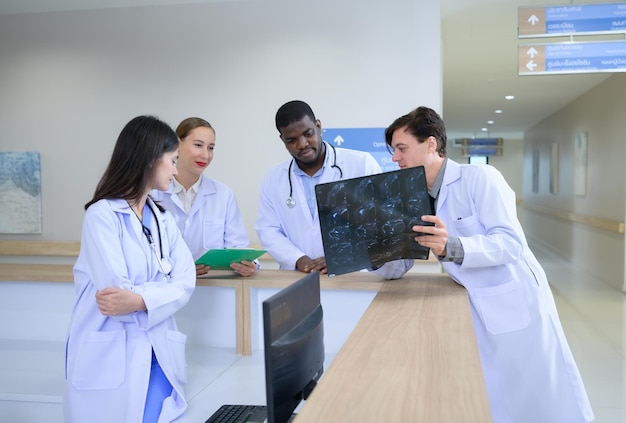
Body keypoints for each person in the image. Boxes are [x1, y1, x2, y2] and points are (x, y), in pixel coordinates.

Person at [384, 106, 594, 423]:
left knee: (542, 398)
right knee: (495, 396)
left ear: (430, 144)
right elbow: (402, 262)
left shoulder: (479, 177)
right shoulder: (416, 197)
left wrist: (450, 245)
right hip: (477, 305)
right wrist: (373, 253)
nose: (395, 159)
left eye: (401, 149)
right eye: (393, 151)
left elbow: (510, 243)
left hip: (514, 299)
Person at [64, 116, 196, 423]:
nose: (177, 171)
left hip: (158, 354)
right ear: (150, 159)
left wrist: (140, 300)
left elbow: (186, 281)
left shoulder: (163, 218)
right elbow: (115, 295)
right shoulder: (102, 216)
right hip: (109, 355)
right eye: (173, 161)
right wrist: (159, 294)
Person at [255, 100, 412, 279]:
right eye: (292, 140)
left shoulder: (361, 164)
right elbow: (268, 230)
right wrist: (299, 259)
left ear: (318, 126)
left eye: (308, 134)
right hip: (297, 278)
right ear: (282, 139)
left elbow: (381, 226)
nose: (302, 144)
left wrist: (341, 257)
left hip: (353, 278)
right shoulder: (274, 178)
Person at [151, 117, 257, 277]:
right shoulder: (152, 193)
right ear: (177, 144)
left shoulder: (223, 195)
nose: (206, 155)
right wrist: (181, 270)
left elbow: (238, 247)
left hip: (213, 289)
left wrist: (250, 265)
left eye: (211, 147)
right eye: (198, 145)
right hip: (165, 287)